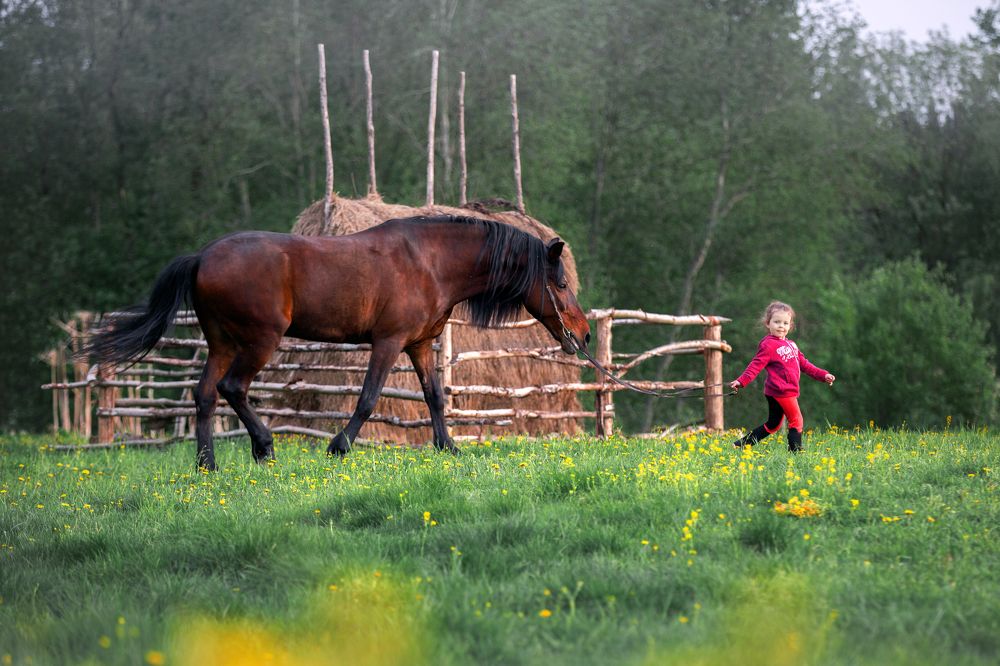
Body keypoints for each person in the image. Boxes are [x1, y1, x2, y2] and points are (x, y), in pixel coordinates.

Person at [729, 301, 835, 452]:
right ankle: (796, 454)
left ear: (790, 325)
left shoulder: (792, 345)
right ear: (768, 323)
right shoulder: (768, 345)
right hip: (782, 390)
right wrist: (741, 381)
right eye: (777, 322)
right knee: (796, 421)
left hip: (777, 391)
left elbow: (804, 364)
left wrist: (823, 375)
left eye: (785, 323)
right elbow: (755, 365)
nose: (781, 326)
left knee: (773, 425)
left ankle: (739, 445)